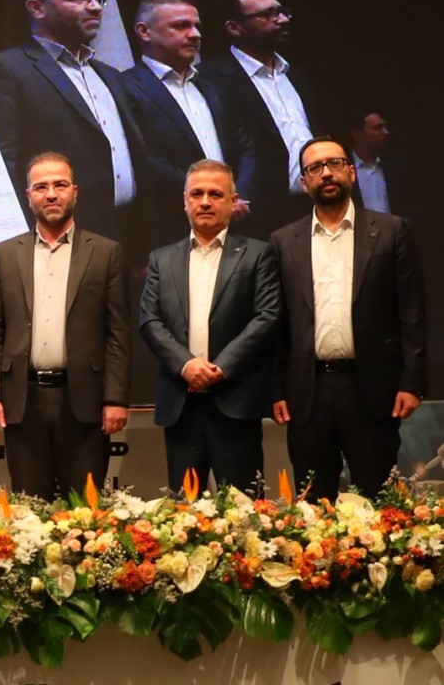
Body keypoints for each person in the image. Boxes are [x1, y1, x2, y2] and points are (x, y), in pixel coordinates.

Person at [270, 136, 426, 501]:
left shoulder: (390, 231)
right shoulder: (284, 240)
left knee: (379, 504)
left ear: (352, 172)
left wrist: (412, 382)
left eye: (334, 163)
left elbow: (412, 312)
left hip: (372, 388)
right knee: (313, 507)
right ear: (303, 182)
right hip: (308, 392)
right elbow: (277, 323)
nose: (326, 173)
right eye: (315, 168)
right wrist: (276, 389)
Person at [0, 151, 131, 500]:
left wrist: (115, 398)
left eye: (60, 185)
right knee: (30, 510)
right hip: (23, 401)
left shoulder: (106, 252)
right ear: (28, 195)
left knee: (85, 511)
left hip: (84, 402)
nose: (51, 194)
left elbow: (118, 333)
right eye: (41, 187)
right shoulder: (6, 254)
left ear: (75, 191)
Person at [0, 0, 145, 244]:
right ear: (36, 8)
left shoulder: (110, 75)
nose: (94, 7)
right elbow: (2, 165)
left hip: (122, 234)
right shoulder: (6, 70)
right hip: (54, 238)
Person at [139, 159, 279, 495]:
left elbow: (267, 316)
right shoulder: (161, 258)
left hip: (235, 401)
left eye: (215, 194)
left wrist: (220, 368)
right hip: (181, 404)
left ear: (233, 202)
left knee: (244, 512)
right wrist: (186, 365)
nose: (205, 202)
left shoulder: (258, 254)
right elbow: (149, 319)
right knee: (185, 514)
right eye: (197, 194)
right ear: (184, 200)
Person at [122, 0, 257, 255]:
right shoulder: (125, 87)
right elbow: (144, 158)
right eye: (181, 26)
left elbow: (246, 147)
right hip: (170, 231)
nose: (195, 34)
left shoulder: (211, 86)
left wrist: (236, 197)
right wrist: (210, 196)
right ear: (144, 32)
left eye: (197, 26)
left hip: (233, 226)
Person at [199, 0, 320, 240]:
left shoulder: (297, 76)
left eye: (282, 11)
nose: (282, 19)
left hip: (314, 207)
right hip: (257, 216)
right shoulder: (210, 78)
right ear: (234, 27)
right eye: (268, 14)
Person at [347, 110, 417, 219]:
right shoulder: (344, 170)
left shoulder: (395, 166)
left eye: (384, 127)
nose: (385, 132)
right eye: (378, 128)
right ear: (358, 134)